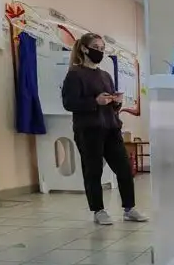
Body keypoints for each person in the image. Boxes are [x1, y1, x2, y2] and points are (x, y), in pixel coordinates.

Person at [61, 33, 148, 225]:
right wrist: (95, 101)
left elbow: (109, 105)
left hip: (111, 128)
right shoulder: (75, 74)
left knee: (124, 169)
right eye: (96, 48)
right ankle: (98, 210)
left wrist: (116, 102)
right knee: (93, 171)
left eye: (102, 49)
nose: (99, 52)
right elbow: (69, 103)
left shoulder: (105, 75)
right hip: (89, 130)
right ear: (84, 48)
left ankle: (129, 208)